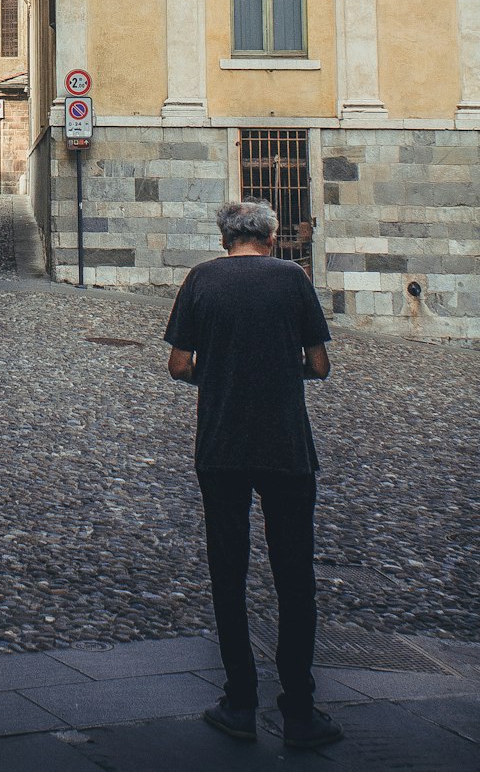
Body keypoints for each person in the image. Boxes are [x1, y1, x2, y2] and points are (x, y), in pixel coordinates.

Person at [164, 200, 343, 752]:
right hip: (286, 446)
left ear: (225, 241)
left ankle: (239, 701)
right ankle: (299, 709)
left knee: (228, 572)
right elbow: (319, 364)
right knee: (294, 576)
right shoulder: (292, 278)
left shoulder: (201, 279)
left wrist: (215, 373)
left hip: (220, 445)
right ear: (269, 239)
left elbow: (178, 365)